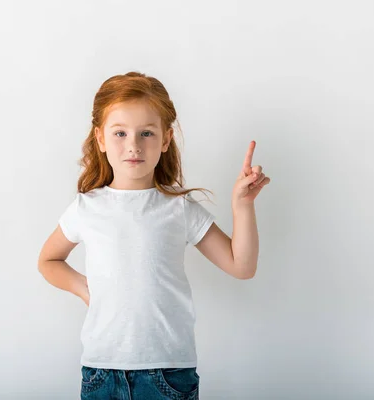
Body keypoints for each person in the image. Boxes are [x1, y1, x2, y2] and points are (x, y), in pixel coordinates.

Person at [37, 71, 270, 399]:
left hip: (169, 374)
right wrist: (84, 288)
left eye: (146, 133)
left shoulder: (180, 208)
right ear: (101, 138)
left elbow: (242, 266)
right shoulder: (86, 208)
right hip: (101, 372)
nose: (133, 145)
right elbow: (48, 259)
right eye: (120, 133)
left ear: (165, 139)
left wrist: (242, 206)